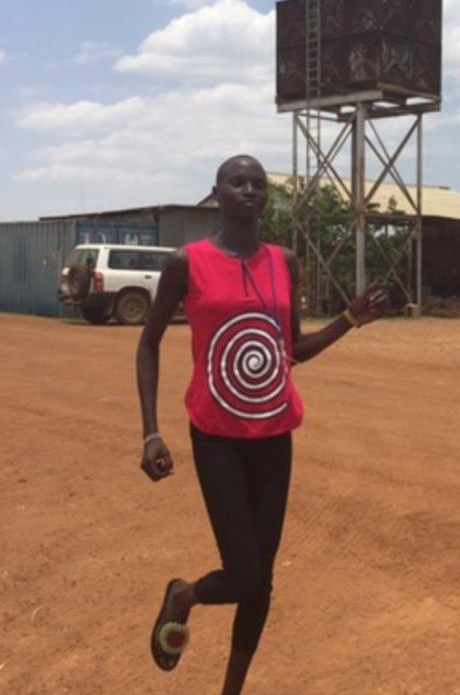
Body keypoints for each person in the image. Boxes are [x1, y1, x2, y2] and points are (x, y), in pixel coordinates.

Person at [136, 154, 389, 694]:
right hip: (217, 439)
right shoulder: (187, 262)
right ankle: (183, 595)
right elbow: (148, 343)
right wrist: (150, 430)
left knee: (262, 582)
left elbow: (291, 349)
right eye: (238, 182)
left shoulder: (284, 262)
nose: (250, 190)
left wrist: (349, 319)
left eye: (258, 184)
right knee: (245, 574)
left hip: (275, 436)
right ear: (218, 193)